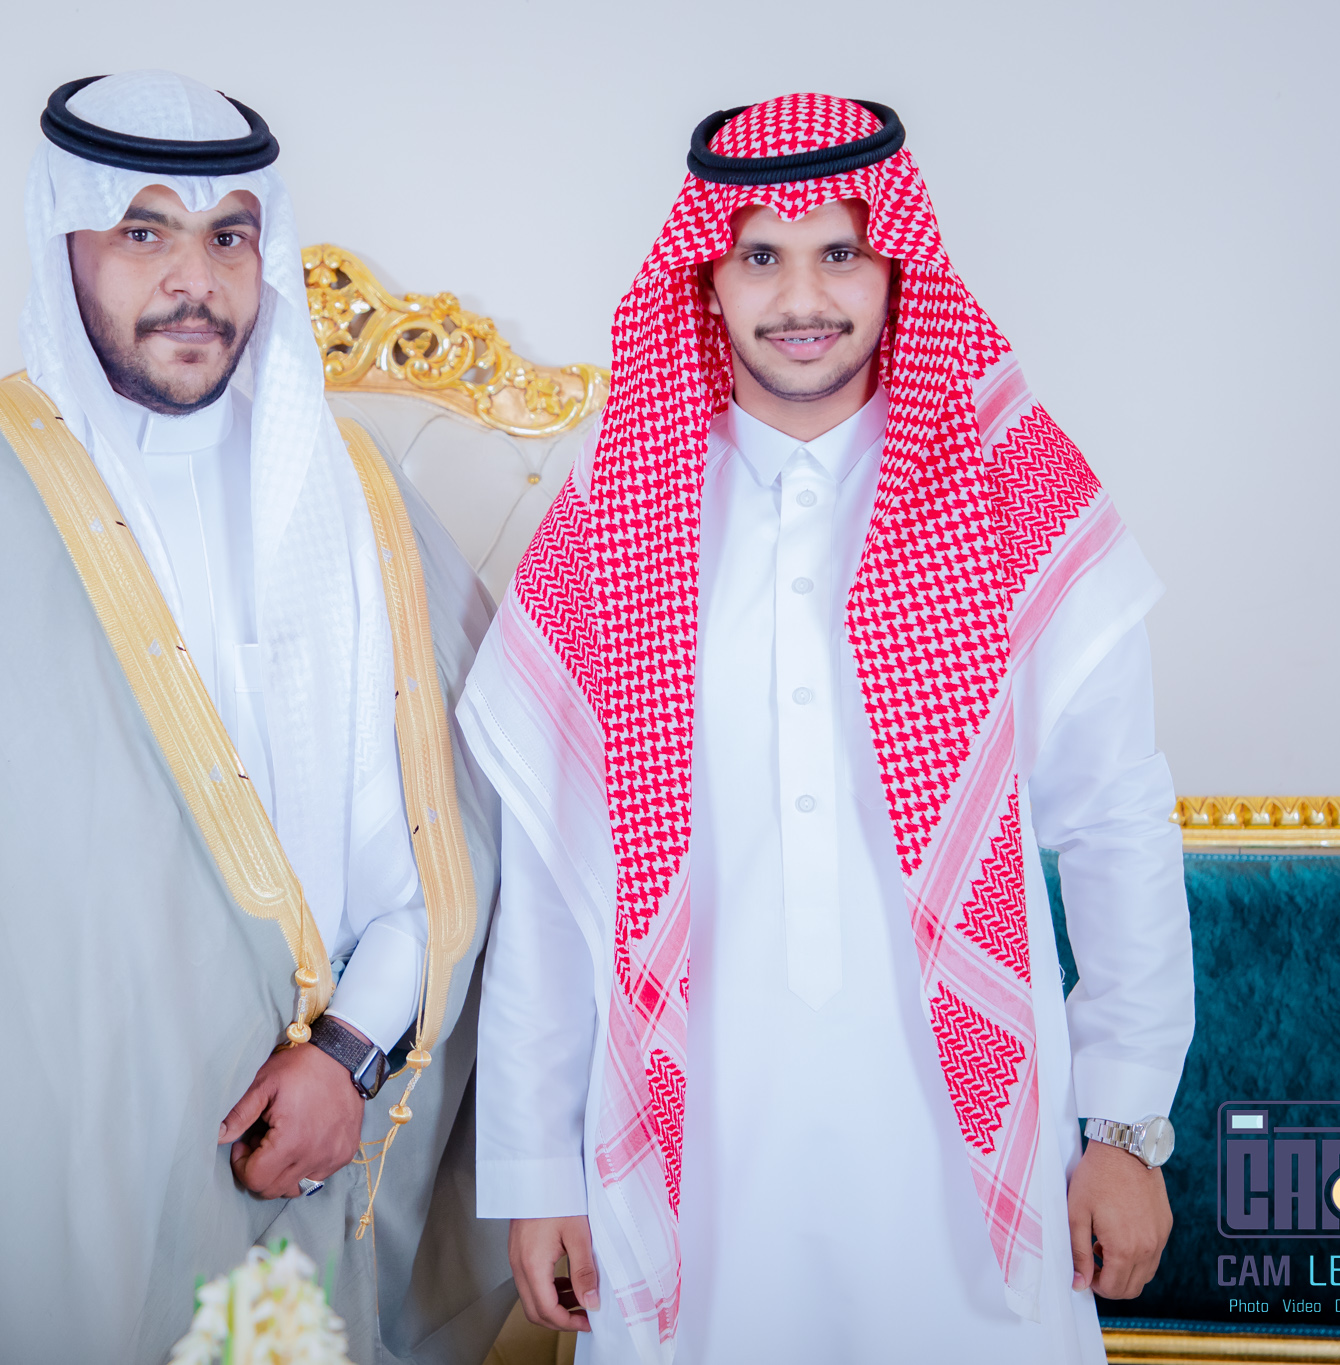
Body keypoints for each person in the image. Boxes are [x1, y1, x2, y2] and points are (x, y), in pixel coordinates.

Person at [0, 69, 510, 1364]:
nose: (194, 278)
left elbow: (446, 829)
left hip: (286, 1155)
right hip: (17, 1167)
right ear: (62, 241)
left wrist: (349, 1057)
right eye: (143, 231)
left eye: (230, 235)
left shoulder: (352, 502)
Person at [460, 94, 1193, 1362]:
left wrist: (1125, 1129)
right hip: (694, 1164)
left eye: (839, 251)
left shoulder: (1011, 493)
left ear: (895, 263)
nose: (800, 297)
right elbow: (549, 876)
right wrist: (536, 1167)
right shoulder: (611, 521)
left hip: (962, 1163)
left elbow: (1114, 818)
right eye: (760, 255)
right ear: (706, 276)